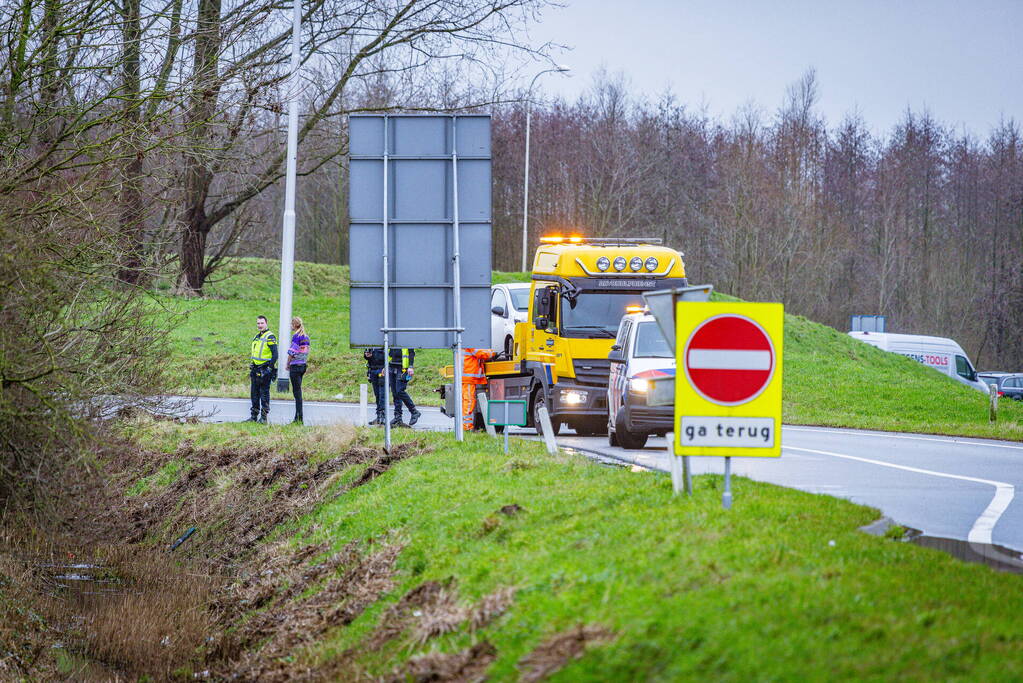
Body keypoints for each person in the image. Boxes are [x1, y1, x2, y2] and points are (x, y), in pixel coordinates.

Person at [246, 315, 277, 423]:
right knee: (254, 394)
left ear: (266, 323)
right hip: (255, 369)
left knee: (264, 394)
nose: (260, 325)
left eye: (261, 323)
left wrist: (269, 368)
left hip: (265, 369)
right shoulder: (257, 336)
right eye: (258, 323)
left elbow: (275, 354)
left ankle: (263, 418)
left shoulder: (270, 336)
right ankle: (253, 417)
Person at [461, 347, 496, 431]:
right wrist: (493, 352)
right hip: (469, 378)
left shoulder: (463, 343)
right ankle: (467, 427)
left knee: (467, 401)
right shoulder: (471, 344)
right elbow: (482, 353)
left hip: (466, 378)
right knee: (469, 401)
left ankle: (466, 426)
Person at [285, 316, 310, 424]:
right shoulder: (306, 337)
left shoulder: (296, 336)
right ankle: (298, 417)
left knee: (297, 394)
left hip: (295, 366)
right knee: (298, 392)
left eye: (291, 324)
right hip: (303, 365)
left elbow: (292, 352)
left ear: (295, 325)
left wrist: (288, 364)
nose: (290, 326)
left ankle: (299, 418)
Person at [388, 347, 421, 427]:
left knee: (400, 391)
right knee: (395, 393)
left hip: (403, 369)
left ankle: (414, 411)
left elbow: (411, 352)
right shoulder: (391, 336)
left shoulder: (405, 336)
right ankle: (397, 417)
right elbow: (388, 352)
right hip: (392, 366)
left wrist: (410, 366)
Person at [364, 347, 386, 425]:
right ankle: (378, 416)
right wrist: (367, 355)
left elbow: (389, 356)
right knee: (377, 394)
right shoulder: (371, 341)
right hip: (373, 370)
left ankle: (383, 416)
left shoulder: (384, 340)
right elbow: (366, 356)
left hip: (382, 370)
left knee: (382, 394)